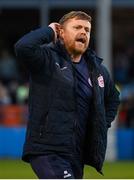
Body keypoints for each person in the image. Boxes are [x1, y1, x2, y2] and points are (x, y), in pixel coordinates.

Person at [15, 11, 120, 179]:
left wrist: (101, 123)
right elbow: (23, 47)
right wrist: (49, 31)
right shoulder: (46, 59)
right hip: (47, 149)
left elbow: (113, 99)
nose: (83, 32)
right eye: (77, 27)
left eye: (87, 29)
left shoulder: (98, 70)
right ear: (61, 32)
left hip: (76, 153)